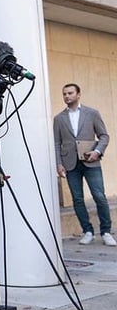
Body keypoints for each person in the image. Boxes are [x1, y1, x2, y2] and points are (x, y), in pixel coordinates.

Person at [53, 83, 115, 246]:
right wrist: (59, 164)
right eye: (64, 93)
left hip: (91, 161)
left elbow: (104, 136)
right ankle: (87, 231)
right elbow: (56, 143)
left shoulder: (92, 113)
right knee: (77, 199)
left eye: (70, 93)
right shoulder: (59, 119)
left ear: (78, 94)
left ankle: (106, 231)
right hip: (70, 164)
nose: (67, 96)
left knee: (99, 196)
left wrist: (97, 152)